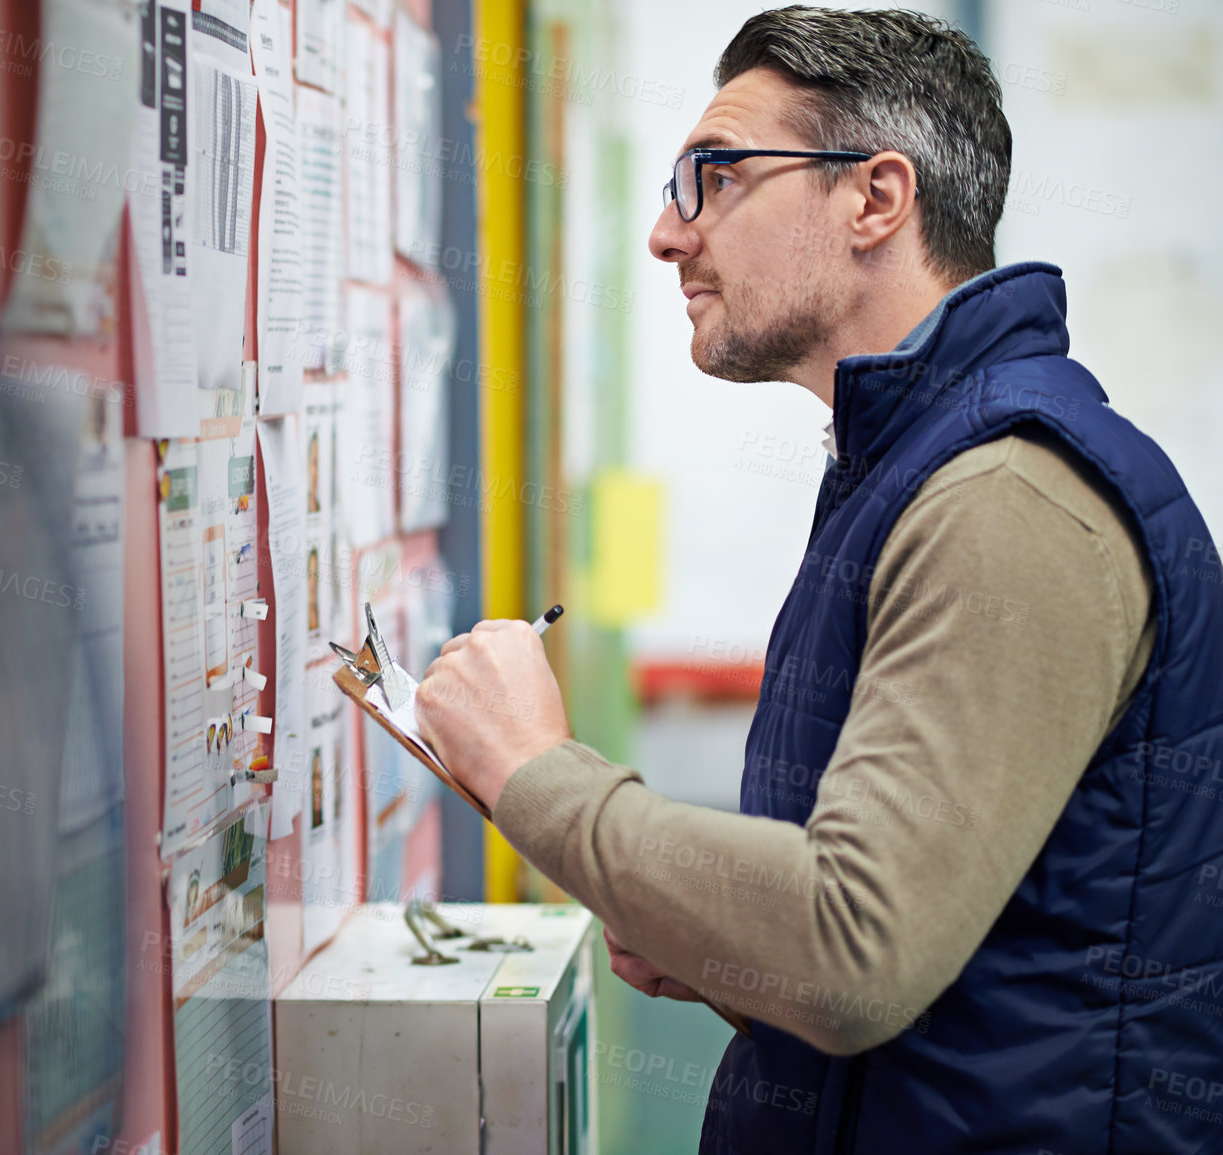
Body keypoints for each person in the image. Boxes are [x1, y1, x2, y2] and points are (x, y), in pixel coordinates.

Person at [417, 7, 1223, 1153]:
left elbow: (855, 948)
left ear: (875, 199)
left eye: (714, 176)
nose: (664, 233)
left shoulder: (1010, 501)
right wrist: (723, 944)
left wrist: (533, 774)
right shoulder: (910, 467)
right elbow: (962, 937)